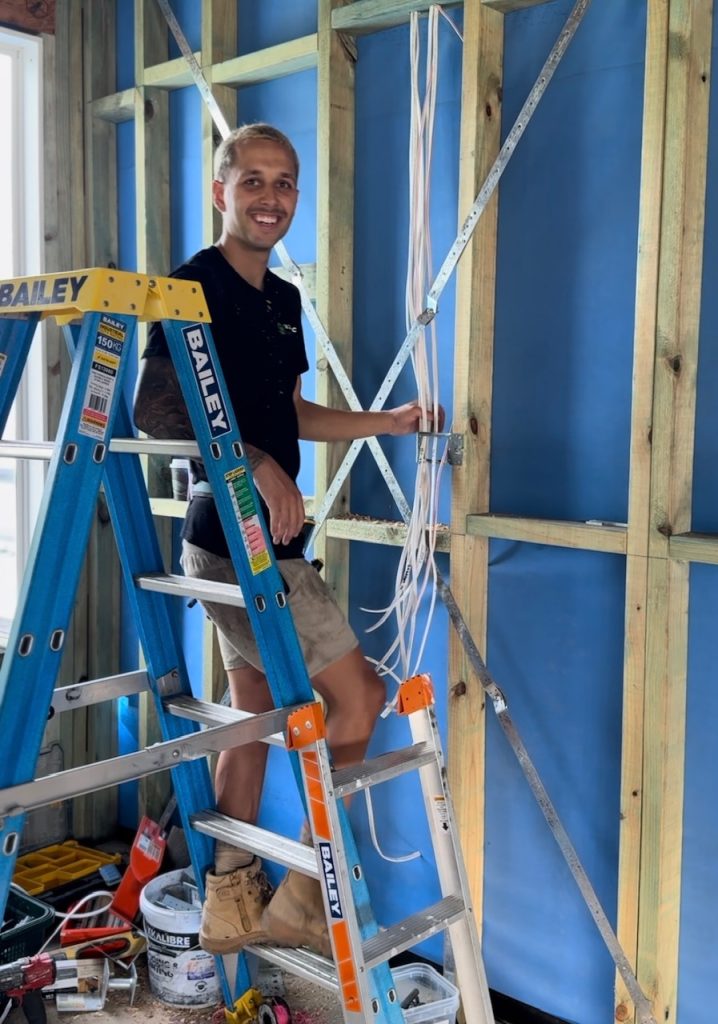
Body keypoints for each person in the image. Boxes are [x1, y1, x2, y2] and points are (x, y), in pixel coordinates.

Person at [133, 123, 441, 958]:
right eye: (253, 181)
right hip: (238, 540)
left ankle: (231, 901)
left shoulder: (282, 301)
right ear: (220, 190)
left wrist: (390, 422)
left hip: (256, 536)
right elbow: (156, 412)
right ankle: (309, 889)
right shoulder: (190, 288)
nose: (270, 198)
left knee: (255, 711)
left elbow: (290, 410)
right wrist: (256, 462)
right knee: (360, 702)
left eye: (285, 184)